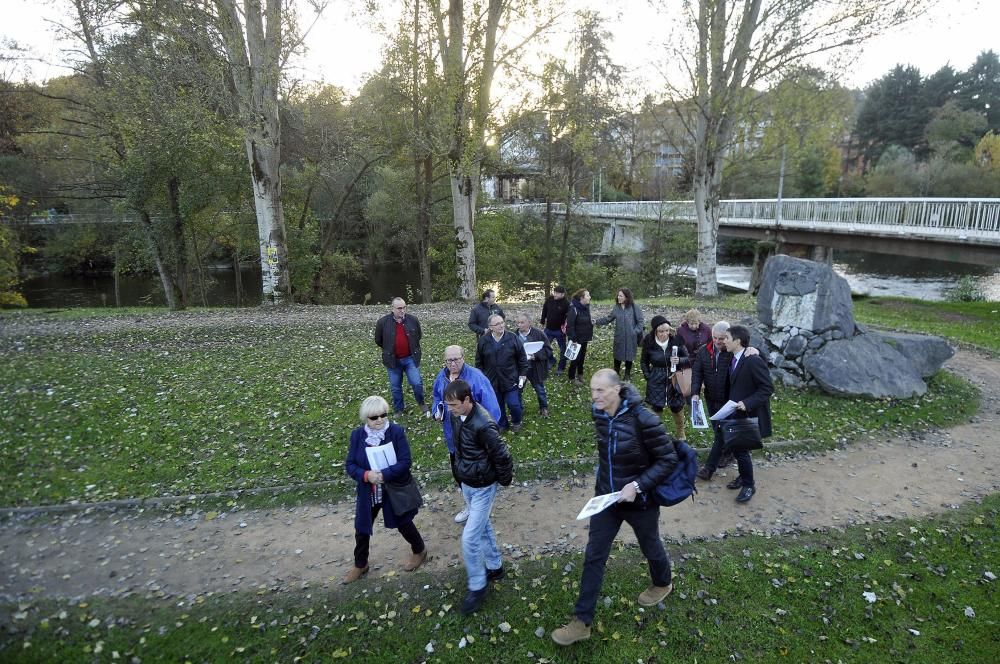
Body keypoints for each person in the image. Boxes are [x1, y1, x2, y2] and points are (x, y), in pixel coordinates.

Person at [552, 369, 678, 646]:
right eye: (592, 390)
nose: (594, 396)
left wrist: (638, 486)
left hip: (640, 502)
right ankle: (581, 621)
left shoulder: (645, 419)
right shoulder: (599, 413)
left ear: (617, 389)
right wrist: (604, 486)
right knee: (594, 555)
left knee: (650, 546)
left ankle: (662, 582)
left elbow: (668, 459)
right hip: (606, 500)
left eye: (600, 391)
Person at [443, 379, 514, 615]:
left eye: (453, 405)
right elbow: (458, 448)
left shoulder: (484, 424)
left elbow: (502, 455)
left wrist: (502, 480)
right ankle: (495, 567)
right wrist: (459, 474)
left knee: (469, 539)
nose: (450, 410)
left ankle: (478, 586)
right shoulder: (456, 416)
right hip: (467, 482)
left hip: (483, 486)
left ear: (467, 400)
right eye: (448, 405)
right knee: (482, 528)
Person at [343, 396, 427, 584]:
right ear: (366, 418)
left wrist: (384, 474)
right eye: (374, 417)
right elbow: (350, 464)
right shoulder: (357, 436)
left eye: (383, 415)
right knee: (362, 528)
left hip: (393, 489)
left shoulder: (396, 432)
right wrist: (366, 476)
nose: (380, 420)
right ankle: (360, 564)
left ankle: (419, 550)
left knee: (404, 523)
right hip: (369, 491)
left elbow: (406, 461)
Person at [431, 345, 502, 523]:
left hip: (474, 439)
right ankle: (470, 506)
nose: (453, 363)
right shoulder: (442, 377)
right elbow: (437, 397)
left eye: (456, 359)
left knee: (476, 475)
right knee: (459, 473)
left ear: (464, 357)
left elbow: (492, 409)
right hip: (452, 437)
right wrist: (436, 410)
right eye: (449, 360)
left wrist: (484, 433)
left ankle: (480, 509)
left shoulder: (476, 377)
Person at [690, 321, 759, 480]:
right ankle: (728, 453)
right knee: (719, 431)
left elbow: (750, 355)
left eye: (722, 338)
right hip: (711, 398)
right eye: (715, 338)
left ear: (728, 337)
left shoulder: (732, 351)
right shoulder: (703, 351)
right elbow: (697, 373)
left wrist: (756, 350)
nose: (718, 341)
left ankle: (709, 468)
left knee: (721, 432)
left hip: (729, 401)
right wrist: (695, 392)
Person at [721, 324, 773, 503]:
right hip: (734, 412)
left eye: (727, 338)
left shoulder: (752, 360)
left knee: (741, 450)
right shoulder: (733, 357)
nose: (724, 340)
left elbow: (767, 388)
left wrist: (747, 403)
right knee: (738, 449)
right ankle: (744, 477)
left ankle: (749, 485)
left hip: (747, 414)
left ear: (737, 341)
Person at [374, 297, 428, 415]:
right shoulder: (383, 322)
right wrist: (389, 349)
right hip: (393, 360)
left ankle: (421, 402)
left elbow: (418, 336)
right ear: (392, 308)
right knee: (395, 387)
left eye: (404, 307)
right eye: (399, 308)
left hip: (410, 359)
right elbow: (378, 340)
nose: (402, 310)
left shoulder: (413, 320)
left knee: (417, 383)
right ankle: (399, 409)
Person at [640, 315, 690, 440]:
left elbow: (688, 359)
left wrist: (679, 360)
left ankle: (680, 432)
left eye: (667, 331)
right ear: (655, 331)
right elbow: (643, 362)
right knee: (656, 407)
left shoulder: (676, 340)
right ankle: (656, 434)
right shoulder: (649, 341)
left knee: (677, 406)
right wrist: (648, 376)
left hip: (674, 378)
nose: (664, 334)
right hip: (656, 378)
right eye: (661, 331)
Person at [476, 314, 529, 432]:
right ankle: (502, 424)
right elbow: (479, 362)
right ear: (490, 327)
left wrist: (523, 373)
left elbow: (522, 358)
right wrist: (482, 377)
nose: (501, 326)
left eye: (502, 322)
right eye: (497, 324)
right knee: (498, 405)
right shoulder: (483, 341)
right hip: (492, 381)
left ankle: (517, 421)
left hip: (510, 379)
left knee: (514, 404)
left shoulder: (513, 338)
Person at [594, 287, 644, 381]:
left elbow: (640, 322)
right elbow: (608, 319)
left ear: (626, 297)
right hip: (619, 336)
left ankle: (627, 374)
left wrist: (635, 332)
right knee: (617, 355)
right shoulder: (616, 307)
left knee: (629, 355)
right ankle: (616, 373)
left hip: (631, 337)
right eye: (618, 295)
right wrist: (596, 321)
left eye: (621, 296)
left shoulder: (634, 307)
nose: (618, 297)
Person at [514, 312, 553, 417]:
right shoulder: (514, 335)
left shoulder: (539, 334)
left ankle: (543, 408)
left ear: (529, 322)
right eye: (518, 323)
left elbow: (548, 350)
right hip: (521, 369)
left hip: (535, 368)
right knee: (518, 389)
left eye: (522, 322)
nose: (519, 325)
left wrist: (535, 356)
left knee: (539, 389)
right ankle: (519, 410)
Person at [565, 288, 594, 387]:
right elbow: (570, 325)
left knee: (582, 357)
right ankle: (572, 377)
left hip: (584, 337)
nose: (589, 297)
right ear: (582, 298)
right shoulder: (573, 308)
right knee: (575, 358)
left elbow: (585, 320)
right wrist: (573, 339)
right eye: (588, 295)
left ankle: (580, 374)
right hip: (576, 339)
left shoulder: (586, 307)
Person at [540, 285, 570, 373]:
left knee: (562, 349)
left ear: (563, 294)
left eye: (557, 293)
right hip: (548, 329)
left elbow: (569, 318)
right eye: (554, 292)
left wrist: (566, 328)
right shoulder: (550, 299)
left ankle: (561, 367)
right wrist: (542, 320)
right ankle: (551, 360)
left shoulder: (566, 304)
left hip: (559, 331)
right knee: (544, 347)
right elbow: (544, 309)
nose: (555, 295)